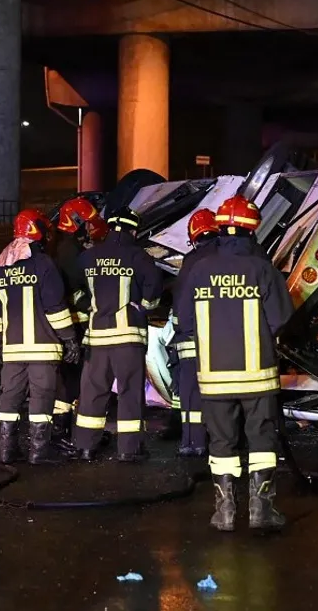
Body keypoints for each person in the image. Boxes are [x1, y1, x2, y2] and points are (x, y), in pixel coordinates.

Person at [175, 195, 294, 531]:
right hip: (258, 376)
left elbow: (184, 321)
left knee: (221, 442)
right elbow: (281, 318)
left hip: (214, 377)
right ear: (251, 232)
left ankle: (224, 513)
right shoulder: (262, 269)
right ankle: (261, 511)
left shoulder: (198, 270)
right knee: (261, 440)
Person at [0, 209, 82, 465]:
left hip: (12, 350)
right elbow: (55, 307)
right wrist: (70, 338)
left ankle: (6, 451)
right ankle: (39, 453)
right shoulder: (43, 264)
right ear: (38, 231)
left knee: (10, 397)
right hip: (42, 349)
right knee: (42, 397)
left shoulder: (0, 268)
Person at [71, 208, 163, 462]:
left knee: (92, 392)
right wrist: (143, 306)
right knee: (130, 392)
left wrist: (87, 305)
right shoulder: (138, 256)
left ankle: (86, 446)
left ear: (110, 228)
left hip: (97, 339)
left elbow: (73, 290)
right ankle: (129, 450)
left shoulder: (88, 257)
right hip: (128, 339)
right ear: (133, 230)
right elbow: (153, 291)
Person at [50, 197, 107, 448]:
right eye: (87, 223)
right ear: (77, 223)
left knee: (71, 381)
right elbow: (79, 287)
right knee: (75, 381)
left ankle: (65, 430)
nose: (90, 228)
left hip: (69, 325)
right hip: (74, 325)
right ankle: (66, 433)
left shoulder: (64, 246)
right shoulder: (70, 252)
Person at [166, 208, 220, 456]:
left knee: (190, 392)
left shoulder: (191, 262)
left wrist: (180, 330)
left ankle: (192, 442)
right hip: (224, 339)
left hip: (192, 339)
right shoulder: (228, 256)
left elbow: (181, 301)